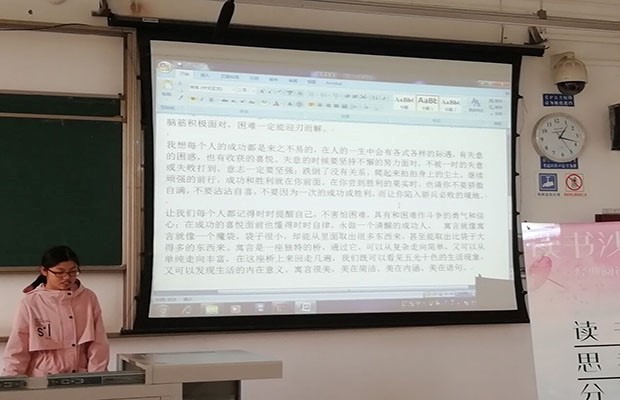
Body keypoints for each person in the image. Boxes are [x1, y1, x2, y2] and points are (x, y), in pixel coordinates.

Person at [2, 245, 109, 377]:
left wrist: (97, 378)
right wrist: (12, 381)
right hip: (42, 378)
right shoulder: (31, 302)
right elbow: (18, 348)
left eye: (72, 272)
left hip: (80, 377)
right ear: (44, 271)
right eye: (59, 272)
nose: (66, 277)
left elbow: (99, 343)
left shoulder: (88, 298)